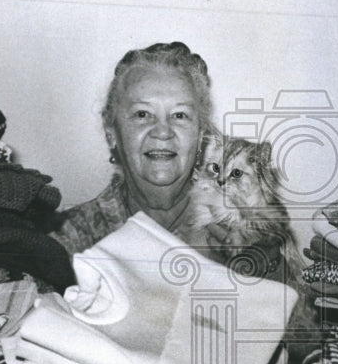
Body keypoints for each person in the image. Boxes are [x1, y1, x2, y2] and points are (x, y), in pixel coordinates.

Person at [51, 41, 283, 274]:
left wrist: (269, 268)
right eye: (142, 114)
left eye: (180, 115)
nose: (162, 131)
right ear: (111, 131)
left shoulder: (246, 228)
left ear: (201, 134)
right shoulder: (68, 238)